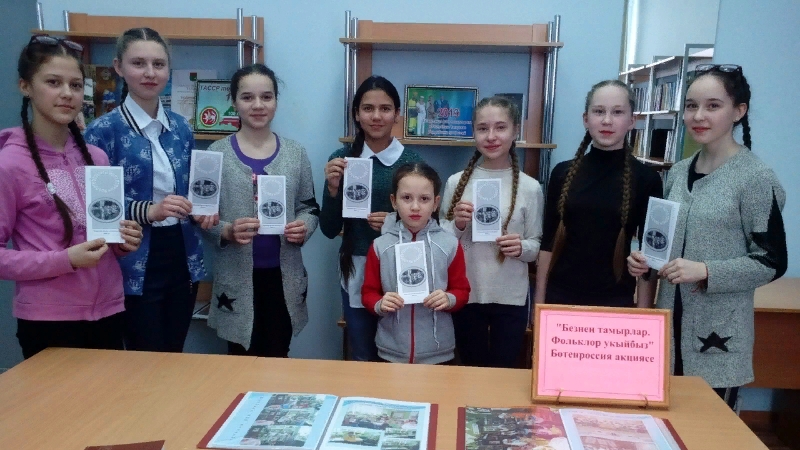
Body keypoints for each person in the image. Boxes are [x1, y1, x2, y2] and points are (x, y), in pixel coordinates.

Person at [628, 65, 786, 410]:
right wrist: (645, 260)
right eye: (691, 106)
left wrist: (706, 270)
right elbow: (665, 241)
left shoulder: (755, 178)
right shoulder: (678, 172)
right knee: (666, 425)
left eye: (713, 106)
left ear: (738, 111)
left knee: (709, 430)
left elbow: (771, 261)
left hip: (717, 337)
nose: (698, 116)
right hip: (669, 330)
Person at [0, 35, 142, 359]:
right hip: (49, 321)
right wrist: (65, 260)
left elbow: (101, 237)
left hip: (109, 311)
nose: (67, 93)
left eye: (76, 85)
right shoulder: (9, 164)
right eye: (53, 82)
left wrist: (122, 241)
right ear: (25, 86)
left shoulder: (97, 158)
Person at [84, 28, 207, 352]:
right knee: (144, 355)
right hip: (132, 254)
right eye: (139, 63)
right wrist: (149, 211)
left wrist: (204, 209)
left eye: (158, 64)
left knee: (174, 350)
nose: (150, 73)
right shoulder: (102, 131)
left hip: (182, 251)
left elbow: (193, 189)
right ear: (118, 67)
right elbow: (93, 204)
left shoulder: (181, 127)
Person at [199, 64, 319, 357]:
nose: (257, 105)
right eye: (247, 97)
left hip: (283, 278)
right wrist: (226, 230)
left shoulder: (295, 153)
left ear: (276, 101)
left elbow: (309, 207)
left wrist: (304, 226)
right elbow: (200, 215)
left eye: (266, 97)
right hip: (236, 279)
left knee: (278, 357)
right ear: (234, 101)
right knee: (240, 358)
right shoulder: (215, 154)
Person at [320, 76, 423, 361]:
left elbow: (429, 226)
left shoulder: (413, 162)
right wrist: (332, 190)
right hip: (357, 265)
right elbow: (328, 229)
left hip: (402, 267)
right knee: (363, 352)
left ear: (397, 114)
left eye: (385, 108)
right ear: (356, 114)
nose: (376, 116)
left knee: (400, 353)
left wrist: (396, 222)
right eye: (368, 108)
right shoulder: (341, 159)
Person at [535, 80, 662, 310]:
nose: (607, 120)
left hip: (615, 301)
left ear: (632, 121)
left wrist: (643, 315)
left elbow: (649, 259)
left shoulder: (647, 180)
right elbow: (547, 245)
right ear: (586, 119)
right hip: (560, 299)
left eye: (618, 112)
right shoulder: (562, 173)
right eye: (599, 111)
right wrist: (539, 307)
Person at [440, 96, 544, 368]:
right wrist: (457, 224)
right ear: (473, 132)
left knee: (504, 372)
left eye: (500, 127)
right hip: (467, 293)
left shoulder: (530, 188)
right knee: (470, 370)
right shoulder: (455, 182)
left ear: (515, 130)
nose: (491, 136)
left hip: (511, 297)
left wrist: (521, 248)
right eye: (483, 128)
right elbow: (440, 244)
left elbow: (536, 245)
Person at [361, 162, 470, 364]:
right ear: (394, 201)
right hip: (390, 353)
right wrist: (380, 303)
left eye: (424, 199)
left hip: (439, 353)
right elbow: (368, 293)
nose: (415, 207)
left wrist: (449, 299)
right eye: (406, 198)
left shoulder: (450, 244)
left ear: (436, 203)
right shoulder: (380, 246)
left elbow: (462, 291)